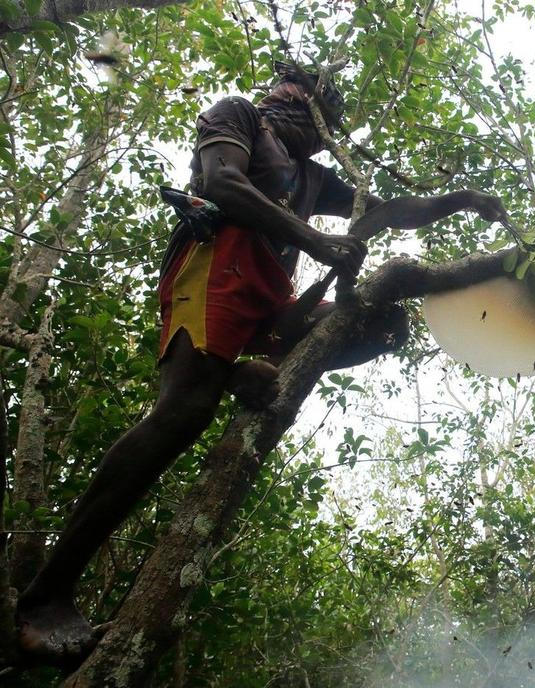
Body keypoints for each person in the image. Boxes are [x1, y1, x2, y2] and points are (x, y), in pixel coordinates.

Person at [16, 60, 506, 666]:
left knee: (383, 323)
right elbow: (222, 184)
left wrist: (463, 200)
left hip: (270, 297)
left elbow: (382, 211)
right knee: (183, 412)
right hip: (216, 268)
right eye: (296, 97)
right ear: (280, 96)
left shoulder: (310, 174)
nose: (299, 110)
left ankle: (241, 370)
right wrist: (317, 241)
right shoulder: (239, 116)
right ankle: (47, 596)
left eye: (316, 112)